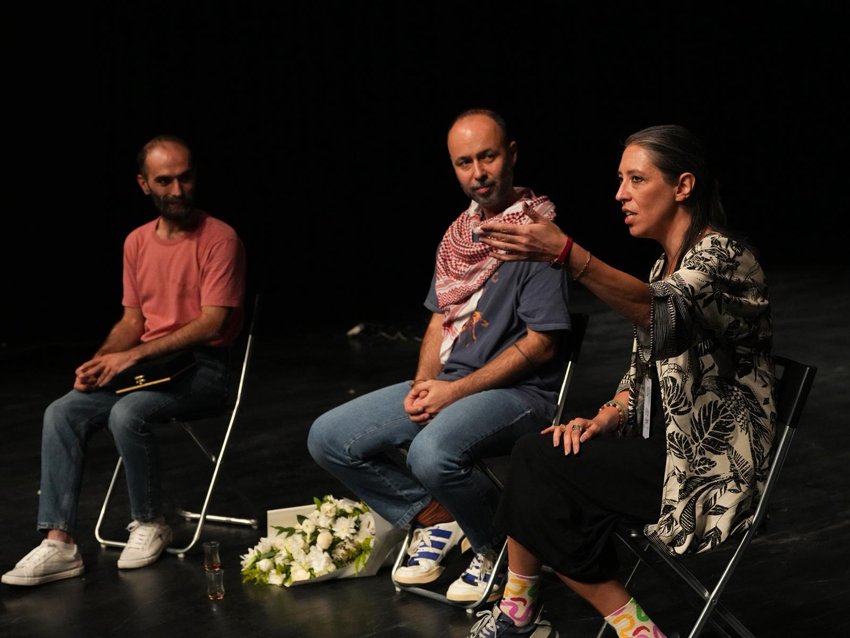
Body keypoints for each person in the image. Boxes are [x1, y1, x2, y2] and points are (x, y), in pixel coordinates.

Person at [465, 124, 775, 638]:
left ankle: (544, 614)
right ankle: (587, 621)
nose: (620, 194)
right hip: (660, 450)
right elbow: (643, 375)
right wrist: (604, 418)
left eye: (636, 179)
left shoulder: (724, 258)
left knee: (539, 468)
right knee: (543, 455)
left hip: (707, 468)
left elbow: (664, 313)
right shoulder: (662, 265)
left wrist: (567, 254)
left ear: (683, 186)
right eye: (620, 179)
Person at [307, 109, 573, 603]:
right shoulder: (458, 238)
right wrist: (422, 387)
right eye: (464, 162)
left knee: (430, 454)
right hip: (453, 383)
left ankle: (501, 550)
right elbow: (438, 321)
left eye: (488, 157)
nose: (478, 173)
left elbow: (543, 343)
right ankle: (441, 519)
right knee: (329, 437)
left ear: (512, 155)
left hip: (519, 395)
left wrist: (453, 392)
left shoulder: (538, 237)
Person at [2, 134, 247, 587]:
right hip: (149, 368)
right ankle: (59, 543)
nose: (178, 190)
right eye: (165, 181)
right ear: (144, 184)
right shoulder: (136, 242)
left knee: (127, 412)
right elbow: (133, 320)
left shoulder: (220, 238)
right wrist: (102, 361)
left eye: (185, 178)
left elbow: (211, 323)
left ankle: (150, 521)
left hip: (204, 369)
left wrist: (130, 356)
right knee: (62, 411)